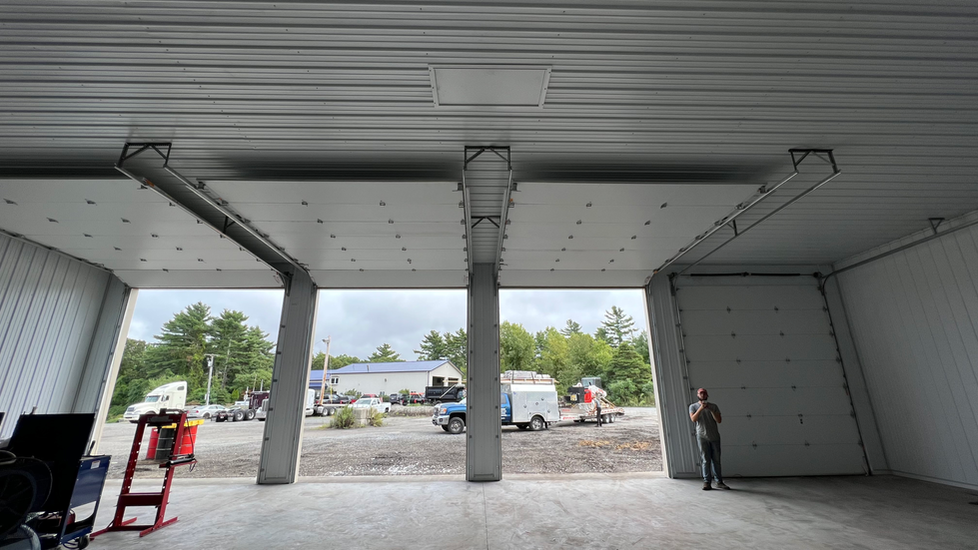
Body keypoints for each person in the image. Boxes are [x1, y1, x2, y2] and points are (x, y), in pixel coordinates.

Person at [689, 388, 728, 490]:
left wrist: (710, 409)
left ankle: (719, 481)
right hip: (701, 436)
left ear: (707, 395)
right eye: (701, 393)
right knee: (705, 460)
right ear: (697, 394)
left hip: (714, 436)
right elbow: (693, 419)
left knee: (716, 460)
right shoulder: (693, 406)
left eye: (704, 393)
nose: (703, 394)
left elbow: (719, 420)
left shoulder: (714, 406)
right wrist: (701, 408)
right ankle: (707, 482)